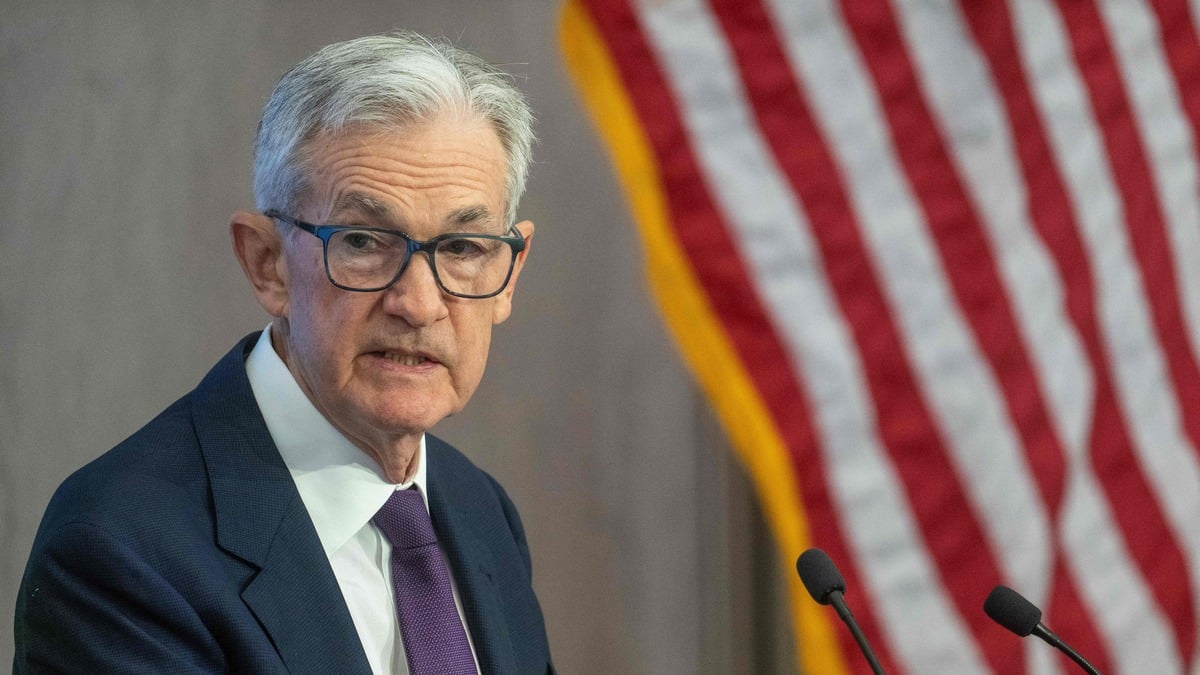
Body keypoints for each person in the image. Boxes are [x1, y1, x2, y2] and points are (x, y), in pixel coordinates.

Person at [14, 32, 553, 674]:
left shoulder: (479, 509)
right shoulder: (120, 551)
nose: (419, 303)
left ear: (510, 275)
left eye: (463, 250)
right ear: (266, 263)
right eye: (363, 240)